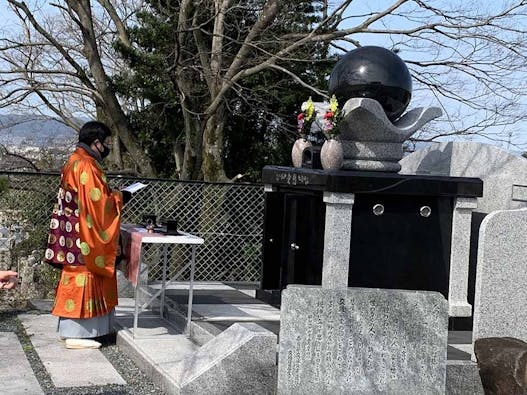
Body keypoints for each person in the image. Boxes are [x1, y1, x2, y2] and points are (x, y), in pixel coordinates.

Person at [44, 121, 124, 349]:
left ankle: (80, 330)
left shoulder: (74, 159)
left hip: (72, 231)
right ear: (96, 143)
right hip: (84, 233)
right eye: (106, 143)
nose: (107, 147)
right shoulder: (86, 165)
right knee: (85, 275)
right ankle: (77, 334)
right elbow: (98, 203)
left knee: (79, 276)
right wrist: (120, 198)